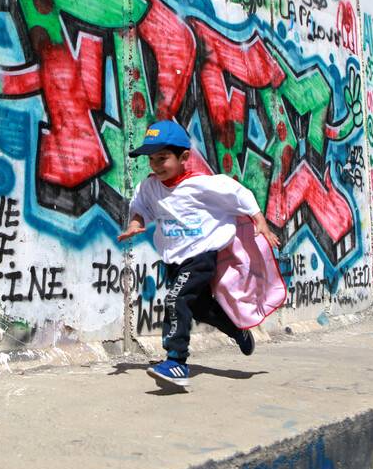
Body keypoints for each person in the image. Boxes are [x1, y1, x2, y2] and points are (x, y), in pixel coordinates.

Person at [119, 120, 280, 389]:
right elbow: (140, 207)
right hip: (174, 259)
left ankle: (177, 361)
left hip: (201, 256)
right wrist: (135, 224)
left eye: (163, 158)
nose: (157, 165)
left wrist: (260, 221)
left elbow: (240, 194)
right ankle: (237, 331)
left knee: (175, 298)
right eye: (152, 159)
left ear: (184, 157)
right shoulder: (150, 187)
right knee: (201, 309)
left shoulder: (202, 185)